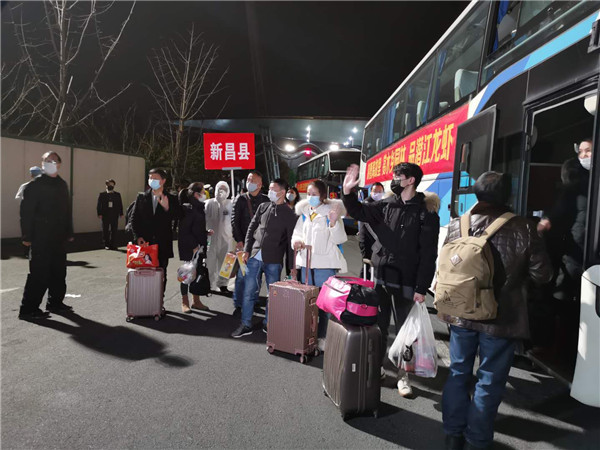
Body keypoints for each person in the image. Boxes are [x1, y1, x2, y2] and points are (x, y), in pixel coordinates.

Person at [440, 171, 552, 450]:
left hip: (462, 312)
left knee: (458, 373)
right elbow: (543, 275)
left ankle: (453, 436)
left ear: (477, 193)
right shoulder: (525, 227)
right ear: (507, 195)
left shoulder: (456, 225)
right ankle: (477, 441)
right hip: (502, 318)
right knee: (489, 381)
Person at [342, 162, 440, 397]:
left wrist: (422, 287)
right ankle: (377, 368)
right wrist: (347, 192)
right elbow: (359, 211)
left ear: (411, 180)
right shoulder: (386, 205)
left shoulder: (426, 213)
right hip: (382, 277)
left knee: (406, 332)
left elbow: (429, 254)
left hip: (407, 281)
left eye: (398, 176)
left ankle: (403, 376)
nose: (394, 180)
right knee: (380, 327)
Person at [231, 178, 297, 338]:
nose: (270, 192)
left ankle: (268, 323)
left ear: (282, 192)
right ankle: (246, 324)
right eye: (270, 189)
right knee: (248, 292)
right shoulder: (263, 206)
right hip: (254, 256)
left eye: (274, 189)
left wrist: (292, 268)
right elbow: (251, 228)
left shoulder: (290, 214)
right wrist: (247, 250)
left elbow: (290, 244)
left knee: (272, 294)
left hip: (274, 260)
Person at [292, 179, 347, 351]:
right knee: (308, 302)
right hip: (306, 263)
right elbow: (297, 233)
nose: (310, 197)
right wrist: (297, 241)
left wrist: (333, 222)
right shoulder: (304, 213)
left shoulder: (331, 212)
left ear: (323, 195)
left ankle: (323, 337)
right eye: (308, 194)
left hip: (325, 265)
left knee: (324, 304)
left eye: (314, 194)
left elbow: (340, 238)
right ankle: (308, 335)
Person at [19, 151, 74, 320]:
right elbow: (26, 212)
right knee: (39, 273)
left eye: (54, 161)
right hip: (40, 236)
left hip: (58, 237)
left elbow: (67, 210)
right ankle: (28, 309)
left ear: (60, 164)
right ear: (42, 164)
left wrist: (69, 231)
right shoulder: (35, 185)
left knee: (59, 271)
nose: (51, 163)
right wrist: (26, 236)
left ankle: (55, 302)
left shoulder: (62, 185)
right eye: (47, 161)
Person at [537, 138, 592, 299]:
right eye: (580, 152)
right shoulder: (578, 184)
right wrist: (548, 221)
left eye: (588, 151)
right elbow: (561, 210)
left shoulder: (586, 183)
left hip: (585, 250)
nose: (583, 155)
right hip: (577, 249)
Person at [131, 168, 180, 296]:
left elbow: (178, 215)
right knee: (143, 272)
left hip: (162, 243)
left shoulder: (171, 198)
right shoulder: (142, 197)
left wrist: (167, 207)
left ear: (163, 181)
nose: (151, 180)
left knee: (161, 272)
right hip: (145, 243)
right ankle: (145, 299)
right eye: (150, 177)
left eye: (155, 178)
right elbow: (134, 219)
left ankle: (158, 300)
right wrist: (138, 236)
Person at [230, 171, 269, 316]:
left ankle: (253, 300)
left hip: (260, 245)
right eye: (248, 179)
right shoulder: (240, 199)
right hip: (244, 244)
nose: (249, 182)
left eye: (253, 180)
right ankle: (239, 303)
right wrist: (239, 240)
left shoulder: (266, 200)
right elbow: (234, 221)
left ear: (260, 184)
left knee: (257, 274)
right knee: (242, 275)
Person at [178, 182, 210, 313]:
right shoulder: (188, 208)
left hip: (199, 246)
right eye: (202, 192)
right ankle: (184, 302)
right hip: (190, 247)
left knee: (197, 273)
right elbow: (184, 230)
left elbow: (197, 227)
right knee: (186, 274)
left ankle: (196, 301)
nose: (204, 194)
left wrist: (206, 233)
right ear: (196, 194)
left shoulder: (199, 207)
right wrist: (193, 245)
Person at [205, 181, 233, 293]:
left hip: (226, 239)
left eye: (224, 189)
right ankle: (209, 284)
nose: (221, 191)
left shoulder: (231, 204)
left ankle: (223, 284)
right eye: (219, 188)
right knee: (209, 263)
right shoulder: (208, 203)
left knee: (226, 263)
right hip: (210, 239)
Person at [358, 182, 385, 278]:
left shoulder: (381, 204)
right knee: (367, 263)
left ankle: (369, 283)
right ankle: (362, 284)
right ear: (371, 192)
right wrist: (379, 238)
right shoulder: (367, 203)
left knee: (374, 264)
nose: (377, 193)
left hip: (375, 240)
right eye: (375, 191)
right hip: (366, 240)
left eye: (380, 191)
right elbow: (368, 224)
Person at [97, 179, 124, 250]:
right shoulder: (102, 194)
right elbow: (99, 205)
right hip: (105, 215)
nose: (110, 186)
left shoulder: (117, 195)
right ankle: (106, 244)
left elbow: (120, 204)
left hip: (114, 214)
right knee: (105, 230)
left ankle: (113, 244)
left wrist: (121, 213)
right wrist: (99, 213)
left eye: (112, 184)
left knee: (114, 230)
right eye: (109, 184)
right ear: (106, 185)